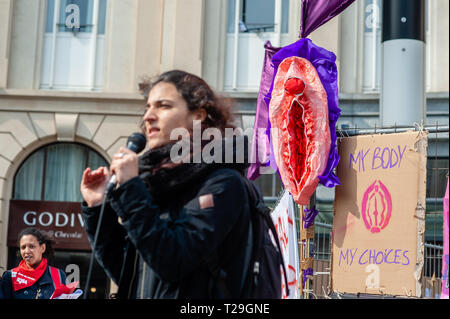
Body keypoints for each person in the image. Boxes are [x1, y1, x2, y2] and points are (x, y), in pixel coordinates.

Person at [80, 70, 256, 299]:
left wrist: (131, 188)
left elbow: (172, 263)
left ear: (199, 115)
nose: (148, 116)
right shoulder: (158, 184)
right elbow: (129, 274)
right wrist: (97, 208)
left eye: (163, 106)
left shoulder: (222, 182)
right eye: (147, 107)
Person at [0, 227, 66, 299]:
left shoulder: (58, 275)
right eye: (23, 247)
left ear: (42, 248)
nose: (27, 251)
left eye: (31, 246)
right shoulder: (10, 277)